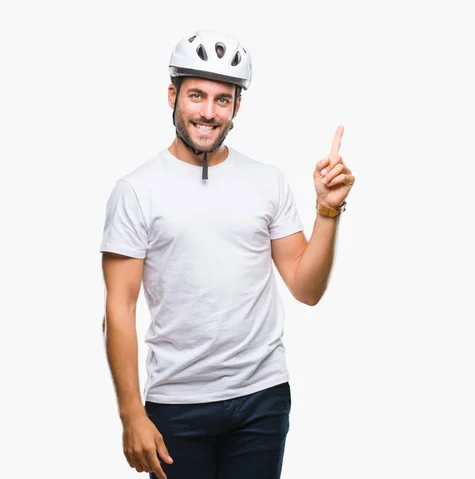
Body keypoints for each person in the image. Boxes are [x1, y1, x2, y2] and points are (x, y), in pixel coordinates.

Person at [99, 30, 355, 479]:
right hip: (177, 403)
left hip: (262, 397)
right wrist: (130, 413)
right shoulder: (136, 191)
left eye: (223, 99)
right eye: (197, 95)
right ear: (172, 95)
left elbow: (306, 288)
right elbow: (119, 308)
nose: (208, 112)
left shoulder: (267, 181)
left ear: (237, 107)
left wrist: (328, 210)